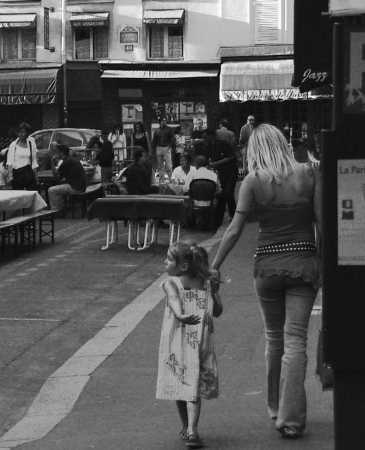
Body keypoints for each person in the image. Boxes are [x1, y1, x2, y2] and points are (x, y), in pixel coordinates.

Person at [211, 123, 321, 439]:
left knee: (274, 338)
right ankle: (292, 418)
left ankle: (274, 406)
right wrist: (322, 262)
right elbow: (321, 224)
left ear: (255, 150)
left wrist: (215, 266)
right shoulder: (307, 174)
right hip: (303, 265)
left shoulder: (253, 182)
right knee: (297, 339)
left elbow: (234, 229)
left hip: (268, 269)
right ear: (283, 143)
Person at [156, 241, 222, 448]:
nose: (164, 261)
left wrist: (181, 315)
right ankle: (190, 428)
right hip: (199, 340)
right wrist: (214, 293)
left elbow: (176, 302)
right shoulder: (201, 283)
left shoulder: (172, 282)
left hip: (179, 341)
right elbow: (218, 310)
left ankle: (189, 428)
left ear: (183, 266)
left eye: (168, 259)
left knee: (183, 383)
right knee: (190, 383)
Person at [205, 129, 238, 228]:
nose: (205, 139)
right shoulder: (209, 146)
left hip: (231, 171)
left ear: (212, 136)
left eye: (207, 137)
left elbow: (231, 157)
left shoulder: (223, 144)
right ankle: (219, 219)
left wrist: (216, 163)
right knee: (222, 194)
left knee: (228, 193)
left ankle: (233, 216)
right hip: (220, 173)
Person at [48, 145, 87, 213]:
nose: (55, 154)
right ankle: (61, 208)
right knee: (59, 187)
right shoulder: (71, 159)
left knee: (51, 190)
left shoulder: (66, 162)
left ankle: (56, 211)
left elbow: (57, 178)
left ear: (61, 153)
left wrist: (52, 162)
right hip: (81, 186)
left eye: (56, 152)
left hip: (76, 188)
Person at [7, 122, 38, 190]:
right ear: (17, 133)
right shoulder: (13, 145)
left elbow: (34, 161)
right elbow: (9, 162)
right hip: (17, 174)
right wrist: (10, 177)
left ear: (28, 133)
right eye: (21, 132)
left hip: (28, 173)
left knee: (31, 194)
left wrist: (36, 177)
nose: (23, 134)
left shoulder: (31, 143)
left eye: (25, 132)